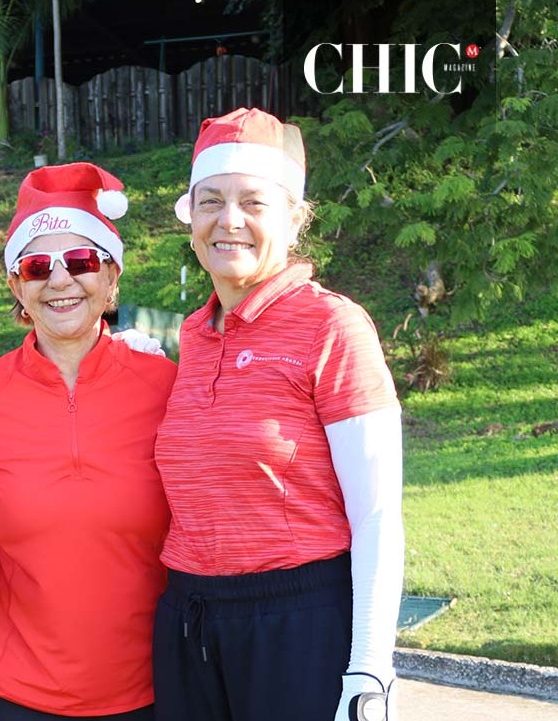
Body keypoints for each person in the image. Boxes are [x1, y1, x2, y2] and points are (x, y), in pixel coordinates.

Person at [151, 107, 404, 721]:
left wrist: (370, 668)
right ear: (190, 219)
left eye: (253, 203)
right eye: (209, 201)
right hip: (189, 620)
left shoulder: (333, 326)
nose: (227, 221)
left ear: (294, 217)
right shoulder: (192, 333)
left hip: (297, 623)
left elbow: (376, 515)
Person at [0, 162, 179, 720]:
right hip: (19, 690)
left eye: (80, 262)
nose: (59, 280)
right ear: (16, 287)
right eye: (35, 266)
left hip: (153, 686)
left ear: (112, 278)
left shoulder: (166, 385)